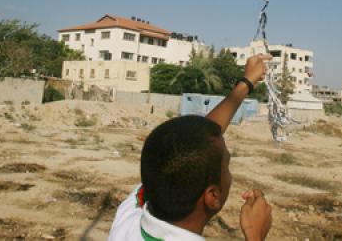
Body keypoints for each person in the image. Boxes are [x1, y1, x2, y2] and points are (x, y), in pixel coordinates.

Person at [108, 54, 274, 241]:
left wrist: (247, 82)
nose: (229, 171)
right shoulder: (134, 206)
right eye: (227, 165)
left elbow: (198, 140)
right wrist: (255, 234)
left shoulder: (131, 213)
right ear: (212, 196)